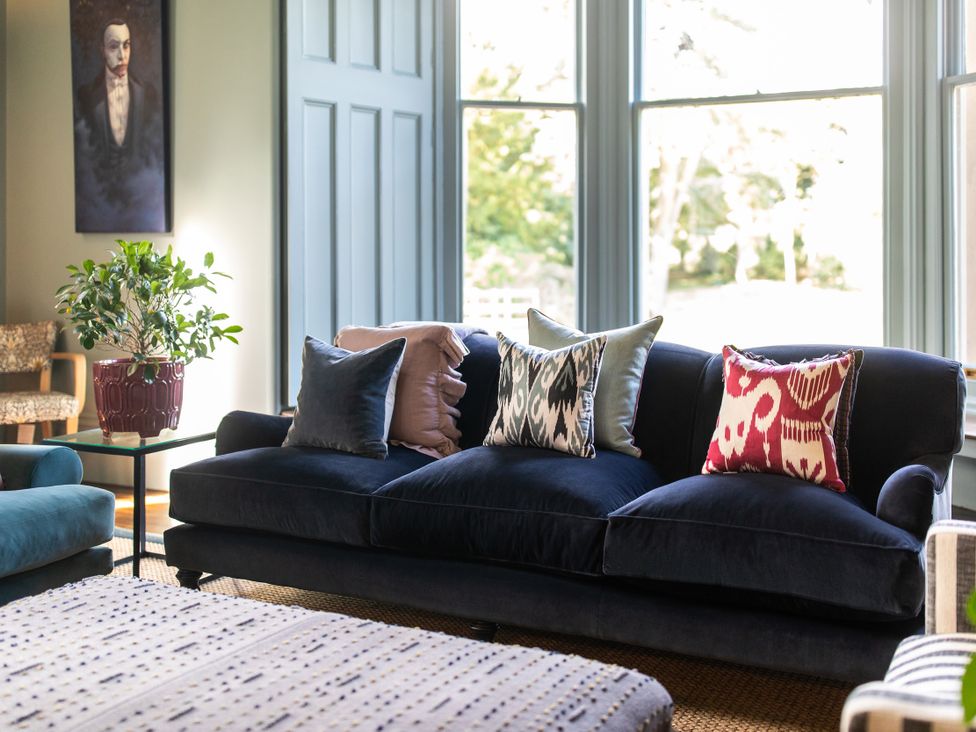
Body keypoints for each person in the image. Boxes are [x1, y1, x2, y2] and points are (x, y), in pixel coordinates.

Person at [76, 18, 161, 177]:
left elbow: (154, 148)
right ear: (102, 50)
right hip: (101, 192)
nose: (122, 55)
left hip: (140, 188)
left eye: (126, 45)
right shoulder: (86, 96)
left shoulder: (147, 94)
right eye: (114, 47)